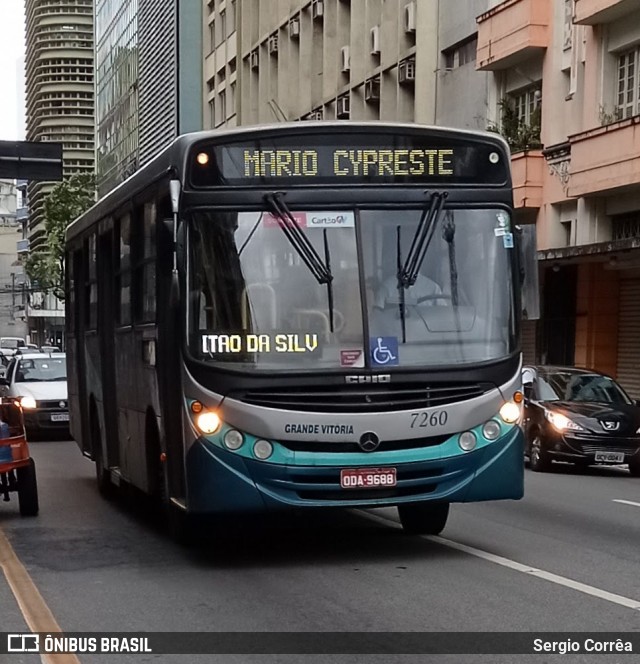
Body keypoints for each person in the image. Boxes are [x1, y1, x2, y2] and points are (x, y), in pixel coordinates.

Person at [373, 271, 445, 311]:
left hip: (427, 336)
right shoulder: (387, 286)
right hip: (395, 333)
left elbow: (442, 315)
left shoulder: (433, 288)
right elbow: (377, 314)